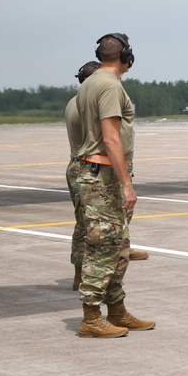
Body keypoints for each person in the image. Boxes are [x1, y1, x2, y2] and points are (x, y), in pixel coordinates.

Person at [74, 33, 154, 338]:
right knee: (103, 247)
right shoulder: (107, 85)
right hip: (103, 178)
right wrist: (126, 185)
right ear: (125, 56)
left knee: (118, 247)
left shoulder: (93, 82)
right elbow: (110, 138)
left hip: (101, 175)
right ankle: (91, 318)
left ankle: (116, 310)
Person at [65, 61, 149, 291]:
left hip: (84, 165)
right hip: (96, 167)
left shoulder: (77, 100)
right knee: (93, 227)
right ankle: (89, 272)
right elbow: (109, 138)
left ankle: (87, 269)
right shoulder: (90, 103)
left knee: (89, 224)